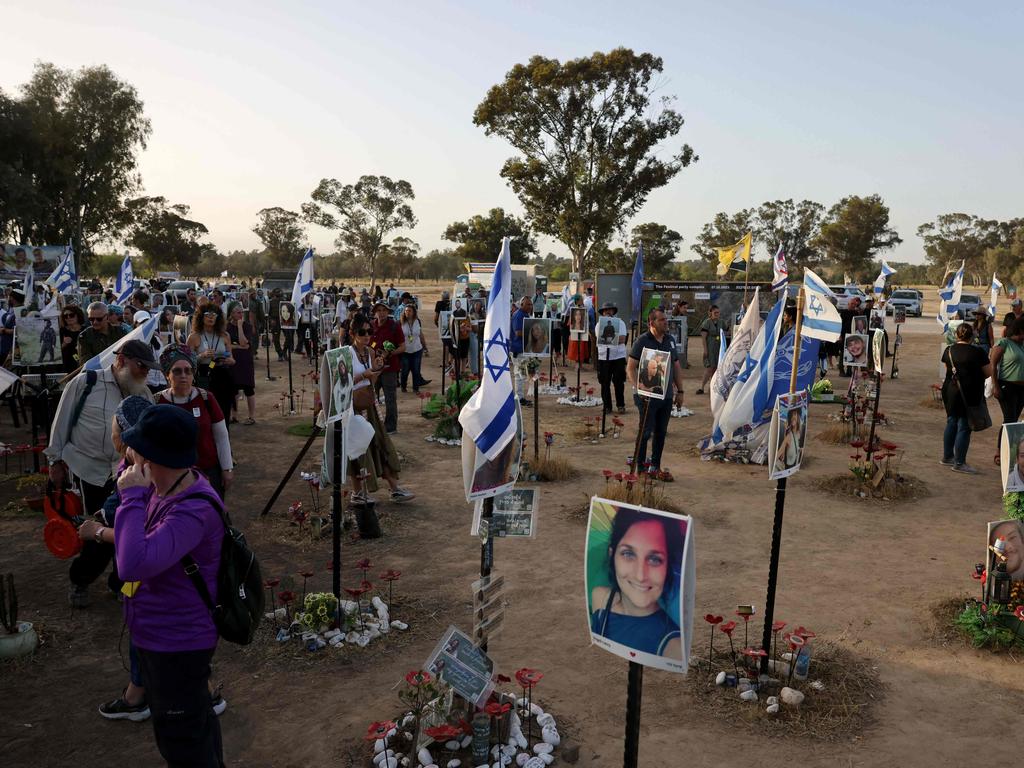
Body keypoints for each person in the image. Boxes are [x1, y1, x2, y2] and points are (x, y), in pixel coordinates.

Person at [113, 405, 226, 766]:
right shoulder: (168, 486)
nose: (129, 455)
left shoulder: (192, 509)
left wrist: (131, 496)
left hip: (177, 642)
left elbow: (132, 564)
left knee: (184, 744)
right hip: (161, 638)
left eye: (136, 449)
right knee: (195, 730)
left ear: (154, 456)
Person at [45, 341, 159, 607]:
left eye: (148, 368)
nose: (145, 372)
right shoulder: (86, 383)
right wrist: (55, 460)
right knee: (100, 532)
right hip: (90, 469)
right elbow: (61, 420)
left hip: (128, 472)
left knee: (131, 527)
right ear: (121, 361)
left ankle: (120, 583)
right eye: (140, 366)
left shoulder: (142, 394)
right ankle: (80, 579)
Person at [590, 508, 683, 659]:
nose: (640, 576)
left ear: (668, 567)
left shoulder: (674, 648)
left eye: (654, 559)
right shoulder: (600, 598)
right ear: (612, 555)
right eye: (628, 554)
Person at [349, 315, 415, 504]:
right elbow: (342, 383)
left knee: (381, 443)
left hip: (369, 405)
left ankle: (394, 488)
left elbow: (372, 382)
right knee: (359, 450)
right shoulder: (347, 354)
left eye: (370, 331)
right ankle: (358, 493)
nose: (367, 335)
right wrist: (364, 374)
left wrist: (375, 370)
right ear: (353, 333)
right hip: (353, 408)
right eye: (362, 332)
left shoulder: (370, 352)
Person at [157, 345, 234, 499]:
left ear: (194, 374)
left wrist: (227, 469)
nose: (183, 375)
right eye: (177, 371)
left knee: (212, 515)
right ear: (167, 375)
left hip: (208, 471)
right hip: (172, 475)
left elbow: (221, 436)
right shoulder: (157, 402)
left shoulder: (206, 398)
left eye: (188, 370)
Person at [626, 309, 685, 481]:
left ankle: (655, 467)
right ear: (651, 323)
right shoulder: (642, 341)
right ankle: (642, 469)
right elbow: (630, 368)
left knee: (661, 432)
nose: (666, 322)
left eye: (666, 319)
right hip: (646, 396)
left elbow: (676, 367)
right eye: (661, 320)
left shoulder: (670, 341)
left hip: (665, 396)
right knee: (645, 432)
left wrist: (680, 391)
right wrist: (639, 387)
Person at [941, 323, 992, 473]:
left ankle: (947, 457)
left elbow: (947, 369)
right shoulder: (978, 352)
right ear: (972, 336)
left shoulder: (948, 350)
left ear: (956, 335)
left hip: (950, 391)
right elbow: (988, 372)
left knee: (951, 421)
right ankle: (959, 463)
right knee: (964, 426)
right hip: (968, 393)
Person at [187, 306, 236, 431]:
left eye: (214, 315)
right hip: (204, 376)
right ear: (201, 317)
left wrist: (230, 360)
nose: (211, 318)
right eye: (208, 315)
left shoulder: (224, 335)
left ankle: (225, 440)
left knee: (224, 410)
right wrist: (201, 356)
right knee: (206, 410)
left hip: (222, 373)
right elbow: (187, 361)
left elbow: (232, 358)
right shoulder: (194, 337)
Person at [991, 319, 1024, 466]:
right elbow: (993, 364)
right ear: (1019, 330)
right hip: (1006, 386)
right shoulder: (1004, 343)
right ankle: (1000, 451)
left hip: (1022, 389)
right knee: (1009, 420)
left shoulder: (1022, 345)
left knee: (1014, 420)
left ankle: (1010, 450)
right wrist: (995, 386)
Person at [371, 301, 405, 433]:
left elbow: (403, 347)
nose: (381, 313)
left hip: (389, 369)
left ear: (388, 312)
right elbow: (370, 343)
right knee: (371, 398)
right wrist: (374, 351)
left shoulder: (394, 326)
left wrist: (389, 353)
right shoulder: (371, 325)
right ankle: (373, 425)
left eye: (384, 310)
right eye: (378, 310)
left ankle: (390, 427)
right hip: (373, 369)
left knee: (390, 399)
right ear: (375, 313)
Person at [227, 302, 257, 424]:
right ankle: (234, 416)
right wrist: (237, 346)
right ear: (231, 313)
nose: (240, 314)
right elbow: (226, 345)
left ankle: (251, 416)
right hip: (233, 362)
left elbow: (244, 343)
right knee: (233, 389)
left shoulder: (247, 326)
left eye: (241, 312)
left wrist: (240, 327)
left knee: (248, 389)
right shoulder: (227, 327)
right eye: (237, 312)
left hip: (245, 362)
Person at [596, 303, 628, 414]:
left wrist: (609, 339)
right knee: (604, 382)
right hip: (604, 356)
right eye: (605, 311)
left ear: (613, 312)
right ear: (603, 313)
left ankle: (620, 405)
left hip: (618, 356)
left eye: (610, 310)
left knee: (619, 382)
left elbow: (623, 339)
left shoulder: (621, 323)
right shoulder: (599, 324)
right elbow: (600, 338)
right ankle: (607, 406)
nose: (608, 312)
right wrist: (613, 338)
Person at [399, 303, 430, 393]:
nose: (407, 313)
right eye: (406, 311)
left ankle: (416, 388)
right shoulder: (400, 322)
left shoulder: (417, 321)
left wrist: (425, 347)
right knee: (405, 370)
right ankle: (403, 386)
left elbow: (420, 334)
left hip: (417, 349)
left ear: (413, 312)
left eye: (409, 311)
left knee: (416, 370)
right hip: (405, 350)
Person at [510, 296, 533, 406]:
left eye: (531, 304)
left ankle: (519, 397)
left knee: (519, 375)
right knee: (521, 374)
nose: (530, 306)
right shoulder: (518, 315)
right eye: (528, 304)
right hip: (518, 349)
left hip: (521, 348)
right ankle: (520, 398)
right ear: (522, 304)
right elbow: (518, 332)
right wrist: (531, 332)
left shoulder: (524, 314)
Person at [696, 305, 721, 395]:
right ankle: (702, 387)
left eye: (718, 312)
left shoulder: (721, 322)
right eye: (715, 312)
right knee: (709, 368)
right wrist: (705, 350)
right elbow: (703, 337)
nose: (717, 314)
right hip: (710, 347)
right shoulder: (706, 323)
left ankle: (712, 388)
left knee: (716, 368)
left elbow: (728, 330)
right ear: (710, 313)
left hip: (718, 347)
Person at [59, 305, 86, 372]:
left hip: (82, 366)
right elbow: (55, 353)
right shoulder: (61, 331)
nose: (68, 317)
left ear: (78, 315)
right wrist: (64, 344)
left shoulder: (86, 331)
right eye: (65, 316)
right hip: (66, 367)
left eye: (71, 315)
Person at [297, 293, 317, 359]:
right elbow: (299, 316)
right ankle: (308, 353)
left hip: (313, 325)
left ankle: (314, 353)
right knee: (306, 340)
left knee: (314, 340)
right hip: (304, 327)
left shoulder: (314, 306)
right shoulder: (301, 307)